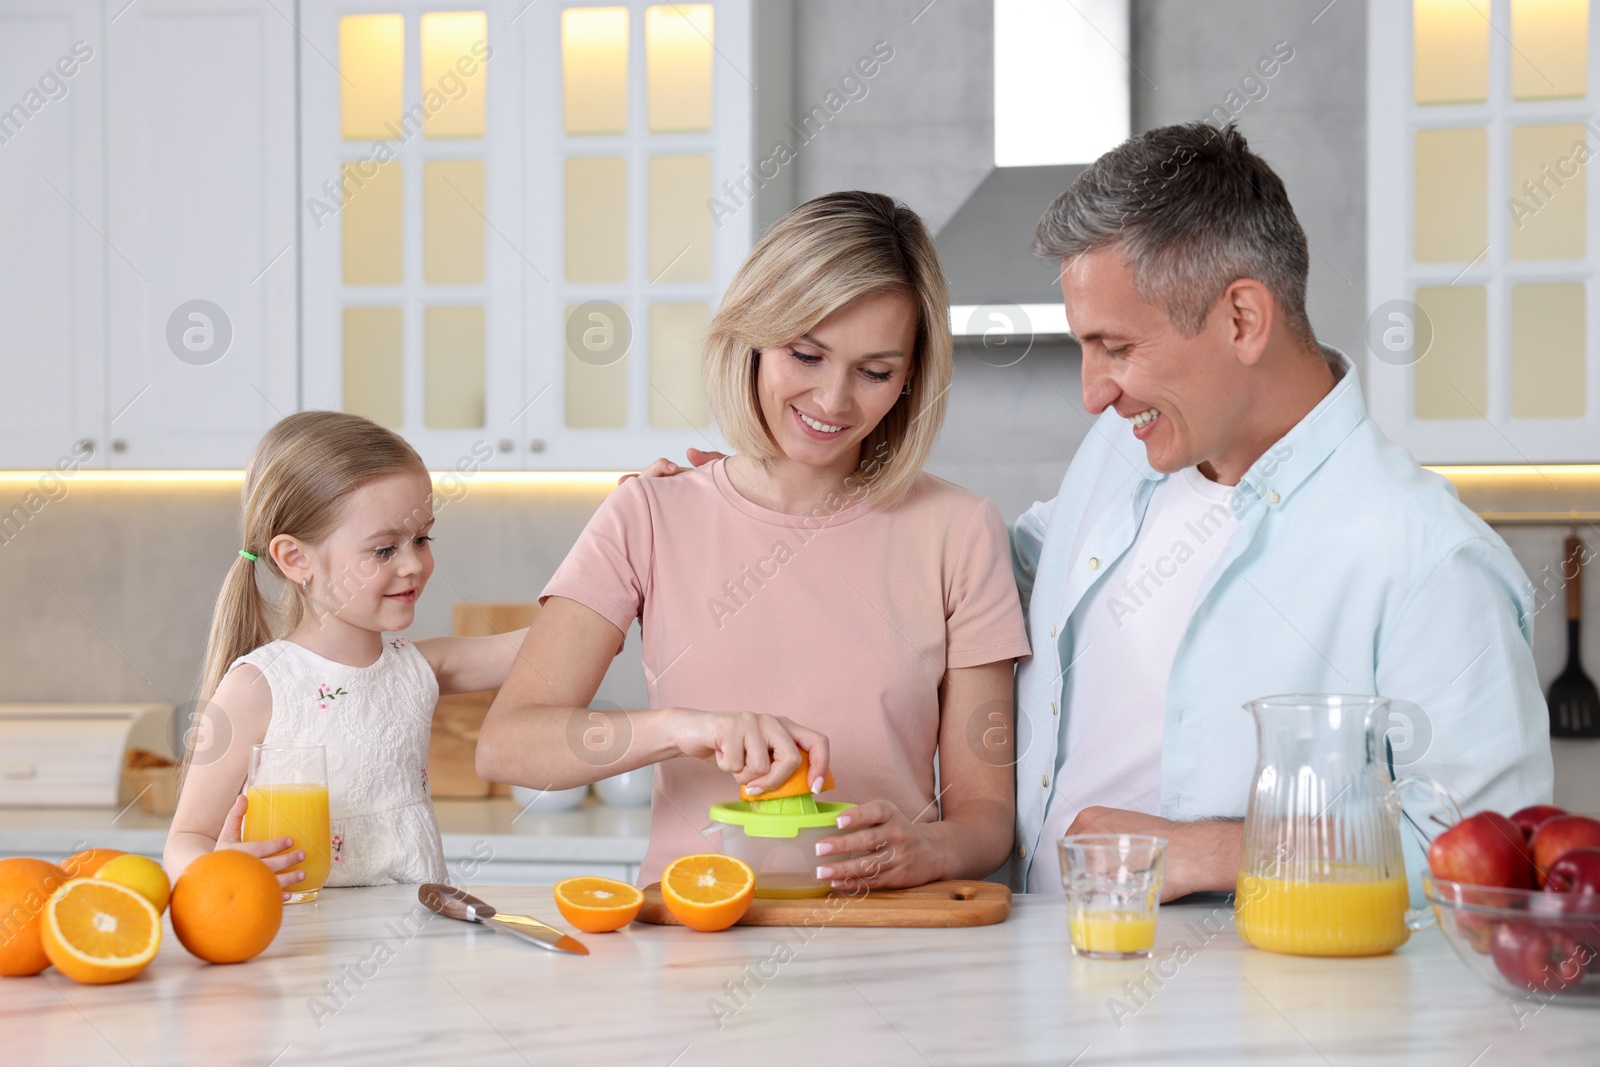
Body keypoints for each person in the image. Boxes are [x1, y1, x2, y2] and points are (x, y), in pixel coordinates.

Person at [1010, 122, 1552, 897]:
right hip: (1027, 988)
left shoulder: (1427, 558)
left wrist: (1212, 852)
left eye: (1118, 348)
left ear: (1242, 319)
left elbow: (1497, 868)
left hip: (1250, 1014)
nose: (1094, 391)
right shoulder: (1122, 449)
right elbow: (992, 578)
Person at [476, 192, 1032, 890]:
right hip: (698, 937)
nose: (833, 401)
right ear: (754, 337)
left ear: (912, 379)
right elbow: (508, 744)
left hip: (891, 944)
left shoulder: (959, 530)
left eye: (875, 371)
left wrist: (934, 850)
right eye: (806, 354)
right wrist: (682, 727)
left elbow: (987, 815)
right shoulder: (648, 514)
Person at [165, 412, 528, 895]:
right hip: (306, 949)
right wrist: (216, 868)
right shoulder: (258, 687)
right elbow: (185, 840)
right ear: (296, 560)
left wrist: (633, 523)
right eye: (383, 550)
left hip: (415, 941)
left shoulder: (420, 667)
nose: (413, 565)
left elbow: (558, 644)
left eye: (422, 538)